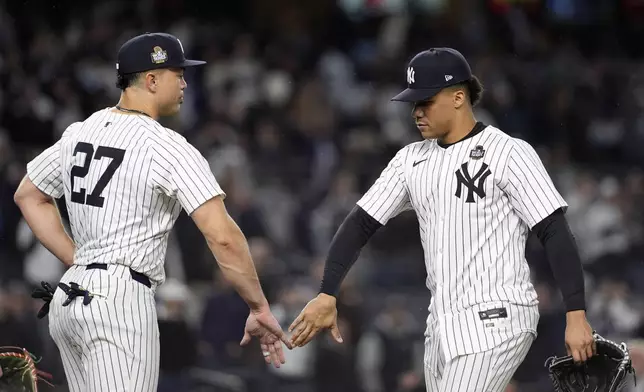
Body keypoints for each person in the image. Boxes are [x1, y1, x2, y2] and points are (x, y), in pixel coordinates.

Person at [287, 47, 595, 391]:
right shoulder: (410, 160)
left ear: (459, 97)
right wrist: (327, 292)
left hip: (499, 315)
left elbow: (554, 230)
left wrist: (576, 314)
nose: (417, 112)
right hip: (442, 323)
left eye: (426, 102)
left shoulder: (508, 152)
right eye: (414, 104)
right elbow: (359, 224)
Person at [13, 32, 290, 392]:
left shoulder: (79, 132)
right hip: (120, 301)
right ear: (152, 78)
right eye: (178, 73)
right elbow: (222, 235)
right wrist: (259, 306)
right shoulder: (166, 145)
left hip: (70, 297)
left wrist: (77, 260)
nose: (186, 83)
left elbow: (28, 194)